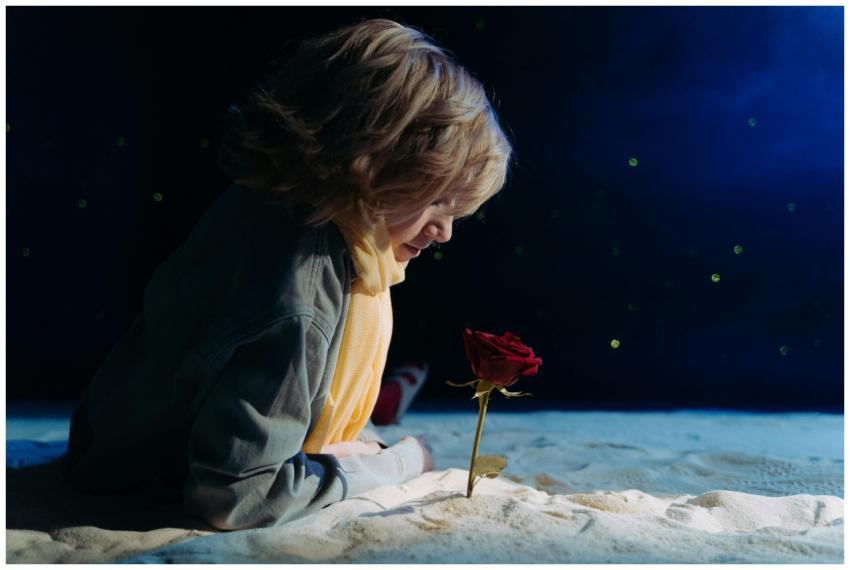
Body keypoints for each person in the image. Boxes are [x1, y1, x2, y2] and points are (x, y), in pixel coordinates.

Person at [63, 17, 513, 531]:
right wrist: (397, 464)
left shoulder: (277, 206)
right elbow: (236, 496)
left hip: (104, 432)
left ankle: (374, 408)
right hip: (128, 475)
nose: (445, 233)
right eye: (437, 199)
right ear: (367, 163)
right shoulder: (299, 292)